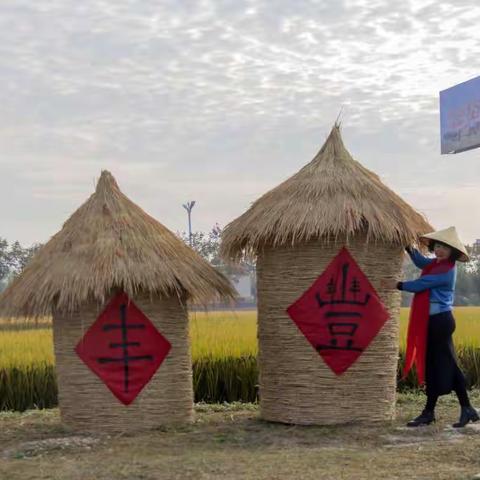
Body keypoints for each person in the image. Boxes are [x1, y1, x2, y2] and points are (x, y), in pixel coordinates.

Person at [386, 226, 479, 428]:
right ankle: (464, 408)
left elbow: (421, 284)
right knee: (446, 365)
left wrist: (397, 285)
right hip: (436, 322)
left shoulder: (446, 271)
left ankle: (431, 412)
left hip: (440, 323)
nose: (439, 250)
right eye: (437, 246)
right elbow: (420, 262)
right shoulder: (437, 265)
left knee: (438, 365)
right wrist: (408, 247)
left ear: (452, 252)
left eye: (444, 248)